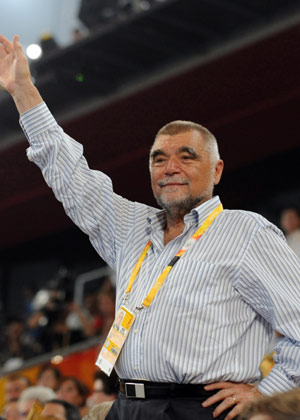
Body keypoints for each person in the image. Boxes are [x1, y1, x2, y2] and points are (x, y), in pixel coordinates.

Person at [1, 34, 300, 420]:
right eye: (158, 159)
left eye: (186, 156)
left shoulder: (247, 233)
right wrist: (24, 91)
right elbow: (69, 173)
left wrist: (264, 394)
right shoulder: (130, 226)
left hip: (199, 409)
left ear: (217, 170)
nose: (169, 167)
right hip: (128, 406)